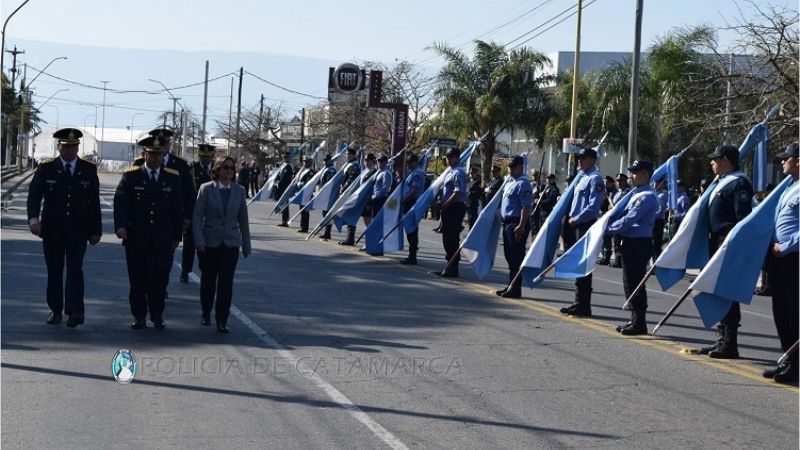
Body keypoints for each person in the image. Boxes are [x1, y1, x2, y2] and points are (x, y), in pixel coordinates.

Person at [27, 128, 101, 327]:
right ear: (58, 147)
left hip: (78, 229)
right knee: (55, 271)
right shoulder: (46, 168)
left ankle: (75, 310)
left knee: (75, 269)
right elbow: (34, 195)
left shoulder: (88, 169)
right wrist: (34, 219)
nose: (70, 150)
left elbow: (94, 202)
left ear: (78, 147)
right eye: (66, 146)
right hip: (52, 229)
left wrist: (96, 230)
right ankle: (56, 309)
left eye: (73, 146)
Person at [114, 135, 184, 330]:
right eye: (151, 154)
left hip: (163, 238)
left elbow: (177, 208)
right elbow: (121, 203)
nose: (155, 158)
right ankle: (139, 315)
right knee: (137, 278)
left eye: (159, 154)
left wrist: (177, 235)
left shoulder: (172, 176)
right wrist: (120, 226)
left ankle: (157, 314)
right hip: (137, 237)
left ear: (163, 155)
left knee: (160, 278)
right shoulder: (131, 175)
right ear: (144, 154)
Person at [698, 144, 754, 359]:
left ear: (725, 161)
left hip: (726, 241)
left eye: (715, 159)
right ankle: (721, 339)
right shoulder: (719, 183)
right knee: (717, 291)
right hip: (715, 241)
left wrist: (730, 243)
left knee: (727, 291)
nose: (712, 163)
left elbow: (742, 219)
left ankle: (730, 343)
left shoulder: (738, 183)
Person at [193, 155, 252, 334]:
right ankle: (205, 312)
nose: (229, 171)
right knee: (208, 280)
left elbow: (243, 219)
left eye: (231, 168)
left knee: (226, 283)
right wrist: (199, 241)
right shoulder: (206, 189)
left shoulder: (239, 191)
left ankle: (222, 319)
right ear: (217, 170)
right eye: (225, 168)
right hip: (210, 243)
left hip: (230, 243)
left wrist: (246, 244)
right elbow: (197, 217)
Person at [606, 161, 659, 335]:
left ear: (646, 175)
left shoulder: (646, 197)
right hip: (630, 241)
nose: (631, 176)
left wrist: (607, 229)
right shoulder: (635, 194)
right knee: (629, 282)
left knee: (635, 283)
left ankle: (639, 323)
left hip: (639, 243)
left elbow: (630, 219)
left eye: (635, 173)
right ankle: (634, 319)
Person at [763, 143, 799, 383]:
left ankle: (796, 365)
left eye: (787, 158)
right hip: (778, 259)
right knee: (781, 312)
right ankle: (788, 358)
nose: (782, 162)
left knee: (794, 312)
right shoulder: (788, 187)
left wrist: (785, 247)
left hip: (793, 257)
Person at [560, 147, 604, 317]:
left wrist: (576, 219)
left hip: (584, 225)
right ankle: (578, 302)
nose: (580, 161)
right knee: (578, 264)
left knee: (584, 265)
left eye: (584, 158)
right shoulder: (582, 178)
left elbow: (593, 208)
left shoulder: (595, 179)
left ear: (592, 160)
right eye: (579, 158)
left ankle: (584, 305)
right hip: (575, 225)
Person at [495, 156, 532, 298]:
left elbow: (526, 207)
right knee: (510, 256)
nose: (509, 169)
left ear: (520, 167)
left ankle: (516, 289)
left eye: (512, 166)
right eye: (509, 166)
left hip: (517, 223)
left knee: (516, 257)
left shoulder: (523, 183)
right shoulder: (510, 182)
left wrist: (521, 226)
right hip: (508, 223)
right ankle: (511, 285)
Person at [429, 148, 467, 278]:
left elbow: (458, 192)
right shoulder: (449, 172)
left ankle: (453, 268)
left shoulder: (458, 172)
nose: (447, 159)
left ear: (456, 158)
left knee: (452, 239)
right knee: (447, 239)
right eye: (446, 157)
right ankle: (449, 266)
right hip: (448, 208)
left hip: (455, 207)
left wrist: (446, 204)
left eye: (450, 157)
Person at [180, 143, 215, 283]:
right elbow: (186, 192)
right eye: (203, 156)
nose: (205, 159)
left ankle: (206, 271)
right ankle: (185, 270)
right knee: (189, 245)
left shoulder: (217, 170)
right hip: (194, 211)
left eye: (208, 157)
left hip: (211, 212)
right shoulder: (192, 169)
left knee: (208, 245)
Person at [400, 153, 426, 265]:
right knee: (409, 228)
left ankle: (413, 256)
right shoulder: (412, 173)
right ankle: (411, 255)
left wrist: (404, 199)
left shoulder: (418, 173)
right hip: (408, 202)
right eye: (408, 163)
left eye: (410, 162)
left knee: (412, 229)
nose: (408, 165)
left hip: (412, 202)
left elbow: (414, 190)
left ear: (415, 162)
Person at [337, 147, 361, 245]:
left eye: (349, 154)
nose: (347, 156)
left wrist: (343, 190)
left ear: (354, 155)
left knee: (350, 215)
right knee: (347, 214)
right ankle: (349, 238)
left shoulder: (354, 166)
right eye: (346, 154)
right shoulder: (349, 165)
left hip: (351, 194)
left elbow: (350, 181)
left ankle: (350, 238)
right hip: (347, 193)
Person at [610, 173, 632, 267]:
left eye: (622, 180)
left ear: (626, 181)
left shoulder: (628, 192)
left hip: (623, 219)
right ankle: (618, 259)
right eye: (618, 180)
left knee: (623, 241)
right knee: (616, 241)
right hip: (615, 219)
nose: (619, 182)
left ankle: (622, 259)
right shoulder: (617, 193)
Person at [598, 175, 618, 265]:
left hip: (609, 217)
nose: (605, 183)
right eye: (604, 182)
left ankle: (607, 256)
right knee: (603, 237)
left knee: (607, 237)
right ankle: (603, 255)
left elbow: (612, 205)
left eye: (607, 182)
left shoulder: (614, 193)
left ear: (611, 183)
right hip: (602, 216)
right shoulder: (604, 192)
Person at [295, 156, 316, 233]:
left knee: (305, 211)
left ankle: (305, 227)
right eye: (304, 161)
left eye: (306, 161)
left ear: (310, 162)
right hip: (302, 192)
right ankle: (302, 225)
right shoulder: (304, 170)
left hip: (307, 193)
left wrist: (301, 184)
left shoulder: (310, 171)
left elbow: (309, 183)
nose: (305, 163)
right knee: (301, 210)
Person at [319, 154, 337, 240]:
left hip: (329, 194)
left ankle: (327, 233)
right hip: (324, 194)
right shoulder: (326, 169)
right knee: (324, 213)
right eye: (324, 160)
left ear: (330, 160)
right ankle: (326, 232)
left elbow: (329, 183)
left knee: (328, 213)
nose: (325, 162)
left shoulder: (331, 170)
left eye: (327, 160)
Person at [275, 152, 294, 227]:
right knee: (283, 204)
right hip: (281, 187)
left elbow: (285, 178)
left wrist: (279, 183)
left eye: (286, 157)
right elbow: (279, 176)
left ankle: (285, 221)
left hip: (285, 188)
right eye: (284, 157)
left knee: (285, 204)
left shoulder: (288, 167)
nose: (285, 159)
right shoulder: (283, 166)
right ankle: (284, 220)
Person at [359, 153, 378, 228]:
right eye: (365, 160)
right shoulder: (365, 171)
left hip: (369, 198)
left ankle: (371, 234)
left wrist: (370, 199)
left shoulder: (374, 172)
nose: (366, 162)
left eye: (368, 160)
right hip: (364, 198)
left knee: (368, 217)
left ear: (373, 161)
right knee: (365, 217)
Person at [652, 179, 668, 259]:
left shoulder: (663, 194)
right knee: (650, 243)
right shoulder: (653, 193)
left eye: (658, 182)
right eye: (655, 182)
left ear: (662, 184)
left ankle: (656, 263)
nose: (655, 184)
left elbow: (660, 211)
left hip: (657, 221)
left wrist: (649, 216)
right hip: (651, 222)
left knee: (656, 243)